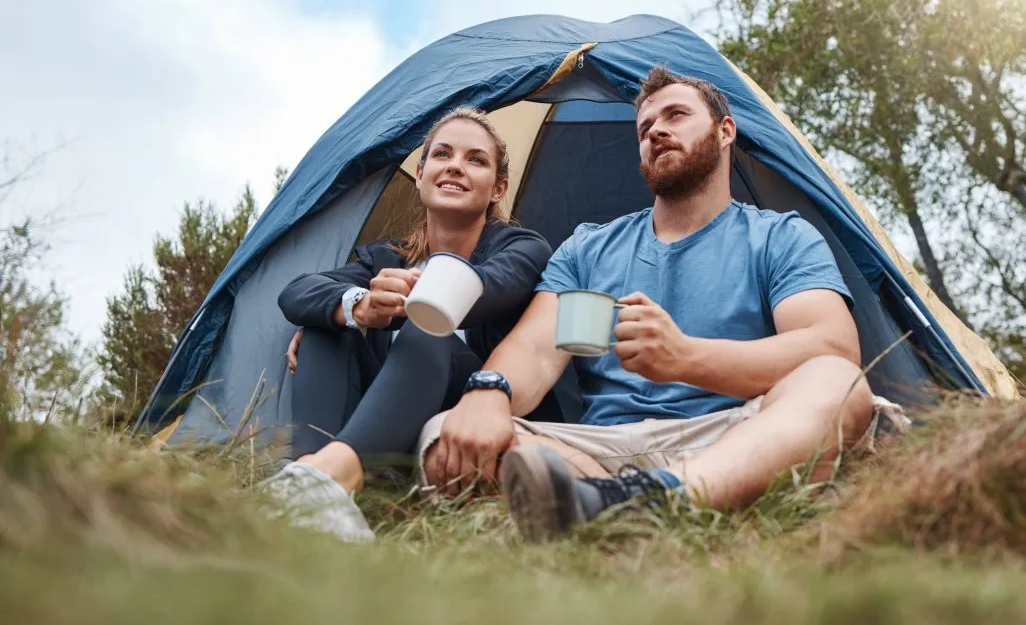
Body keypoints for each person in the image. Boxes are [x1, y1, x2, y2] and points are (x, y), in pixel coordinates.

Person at [419, 67, 876, 542]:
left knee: (838, 383)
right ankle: (623, 504)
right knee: (444, 434)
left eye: (676, 115)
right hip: (604, 446)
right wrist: (489, 391)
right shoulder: (590, 249)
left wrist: (687, 359)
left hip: (735, 435)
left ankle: (626, 503)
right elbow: (535, 351)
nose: (656, 130)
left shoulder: (779, 237)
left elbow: (833, 348)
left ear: (725, 131)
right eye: (644, 128)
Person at [263, 106, 554, 542]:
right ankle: (312, 482)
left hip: (472, 411)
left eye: (475, 159)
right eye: (442, 154)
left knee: (431, 316)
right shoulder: (384, 257)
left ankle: (323, 481)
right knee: (327, 323)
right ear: (420, 175)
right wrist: (356, 307)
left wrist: (394, 303)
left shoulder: (521, 246)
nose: (455, 165)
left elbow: (484, 290)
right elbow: (298, 292)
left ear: (498, 189)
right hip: (387, 416)